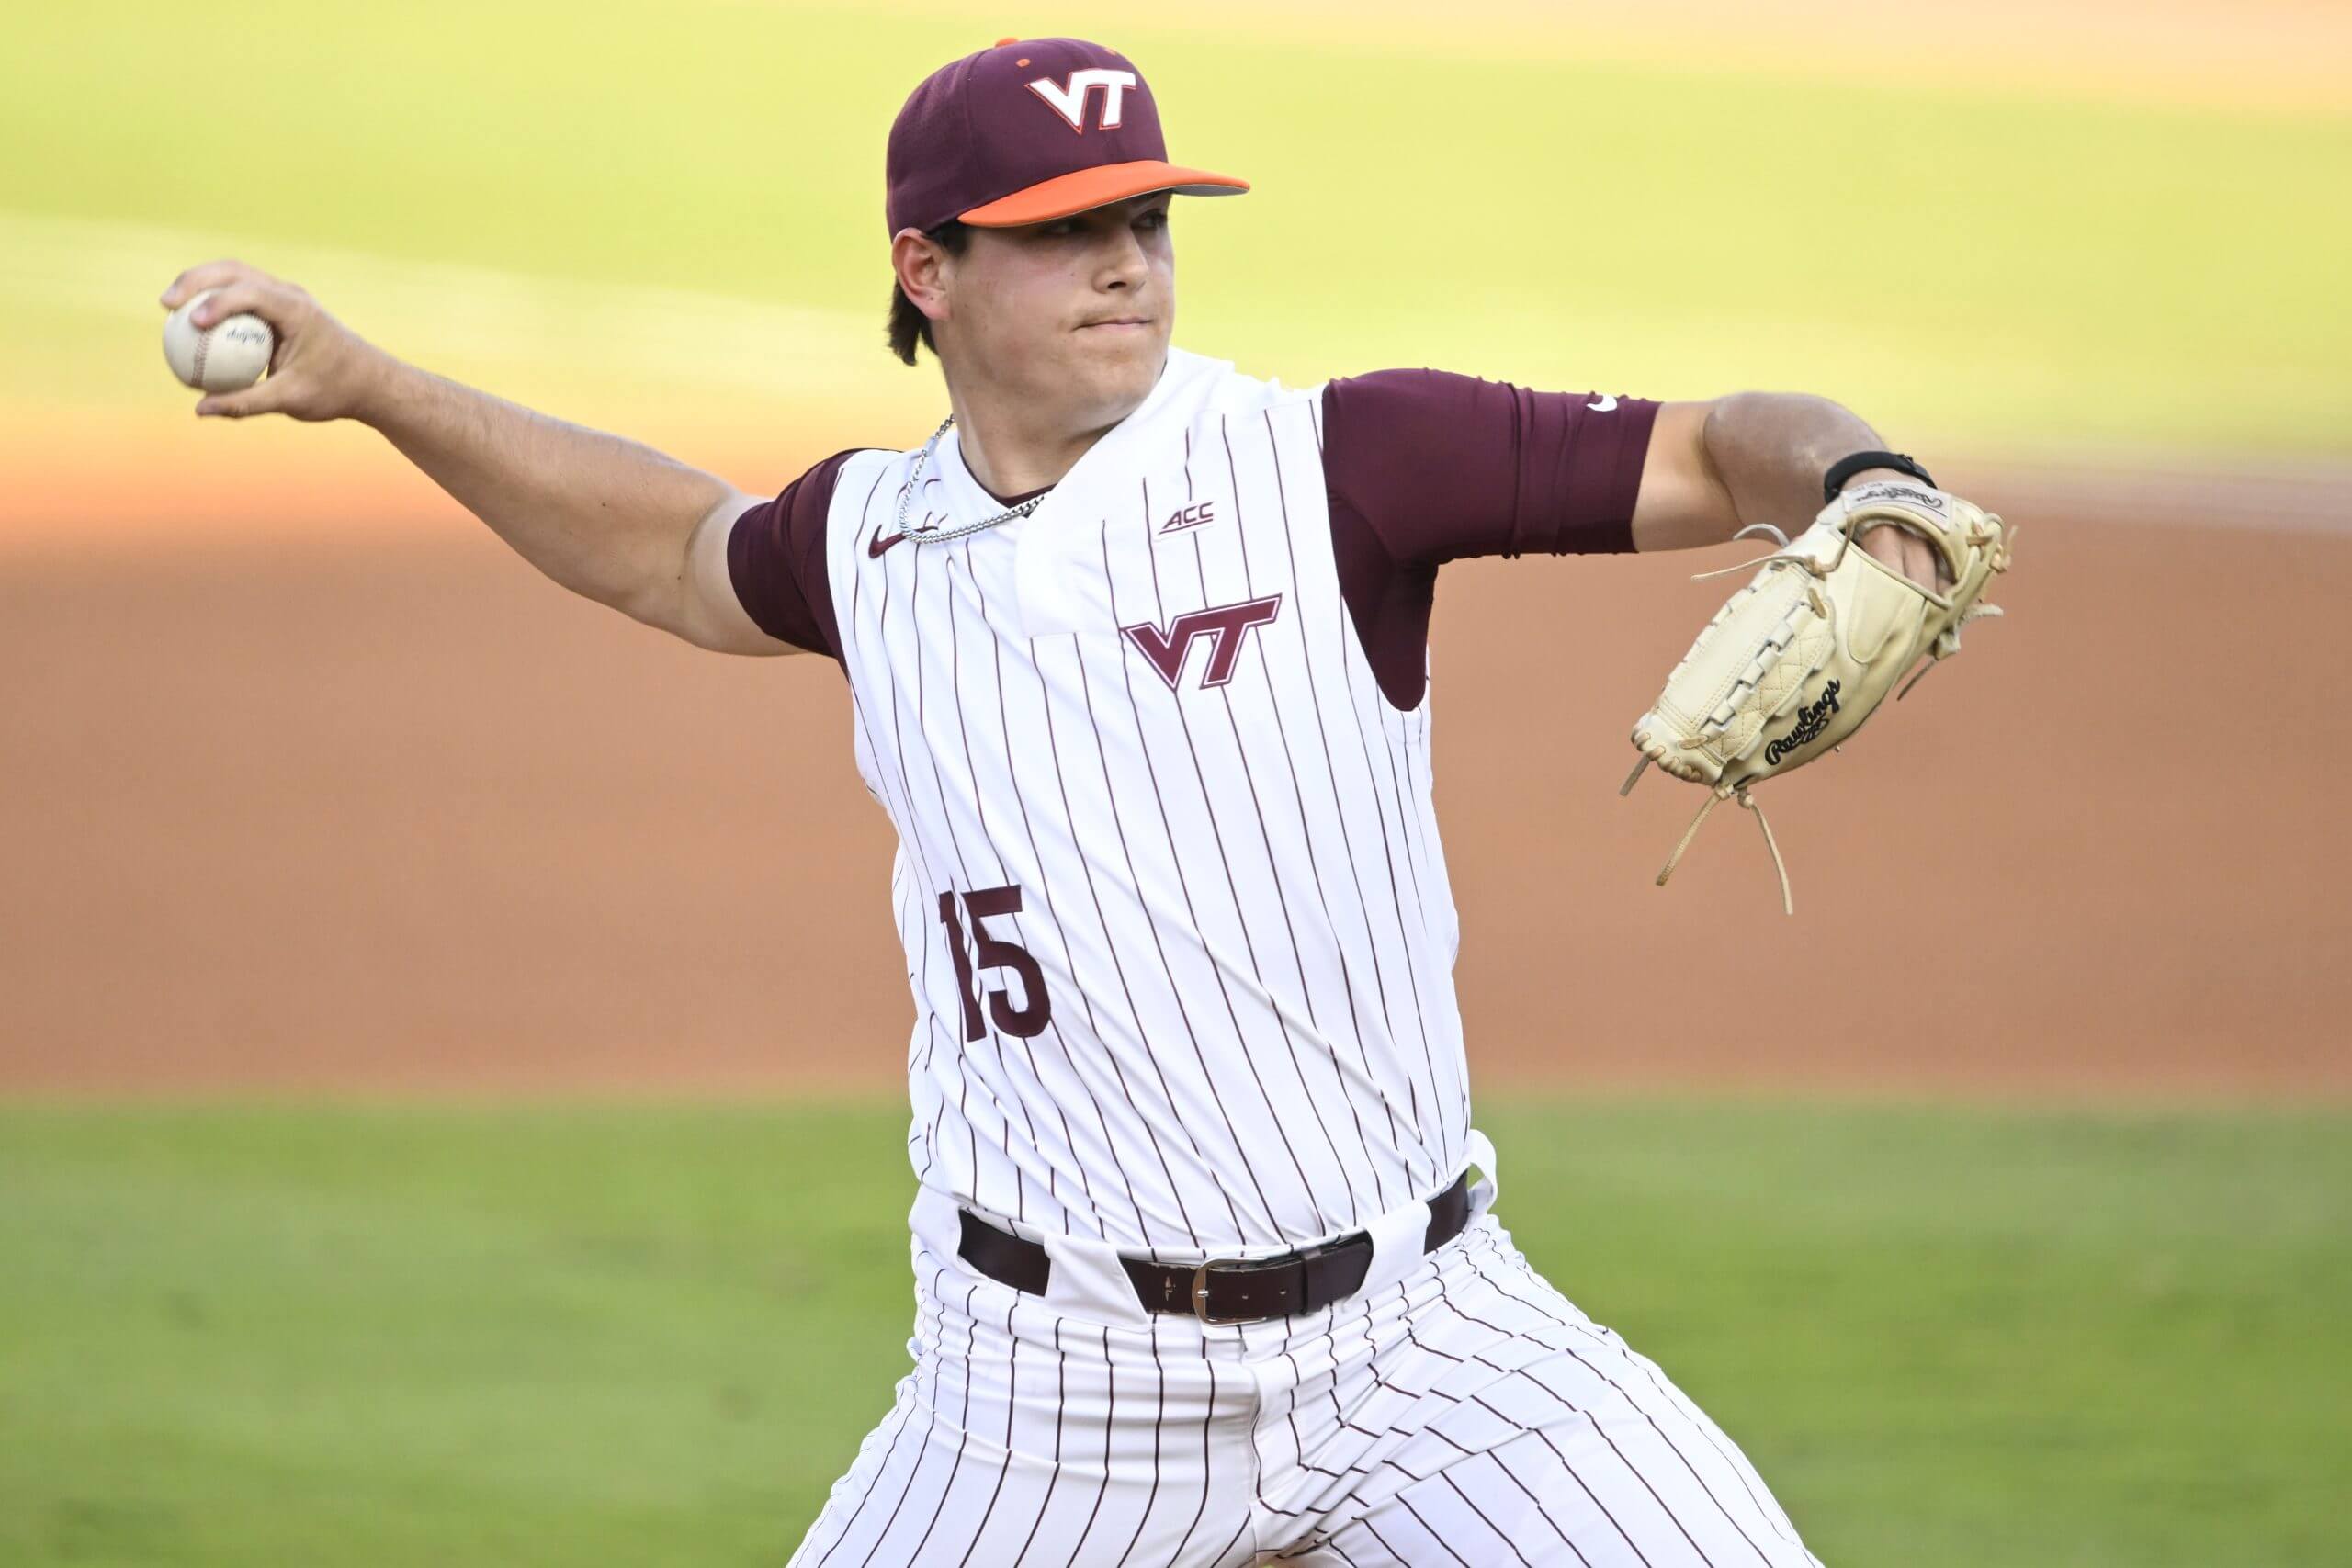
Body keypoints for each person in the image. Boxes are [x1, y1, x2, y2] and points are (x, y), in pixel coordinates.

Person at [159, 34, 1961, 1564]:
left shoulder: (1336, 462)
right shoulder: (866, 541)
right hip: (1045, 1388)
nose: (1127, 263)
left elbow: (1725, 439)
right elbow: (677, 555)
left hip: (1427, 1336)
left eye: (1144, 220)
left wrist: (1862, 478)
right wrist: (373, 387)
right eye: (1059, 231)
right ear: (926, 270)